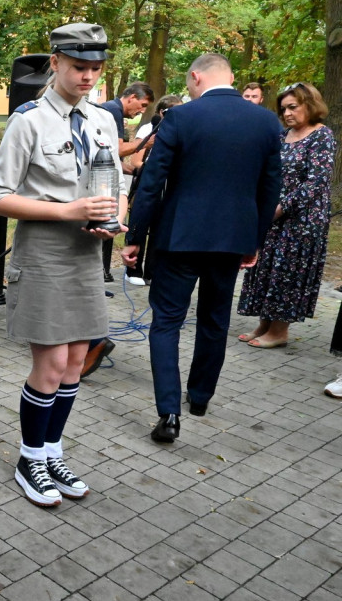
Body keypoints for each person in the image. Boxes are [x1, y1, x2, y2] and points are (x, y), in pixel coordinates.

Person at [0, 23, 123, 507]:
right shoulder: (29, 121)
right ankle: (29, 460)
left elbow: (115, 186)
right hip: (44, 255)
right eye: (79, 67)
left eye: (95, 68)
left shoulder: (104, 120)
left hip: (87, 255)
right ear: (56, 64)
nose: (88, 76)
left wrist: (115, 221)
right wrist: (67, 211)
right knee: (49, 365)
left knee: (74, 365)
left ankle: (51, 450)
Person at [122, 53, 282, 443]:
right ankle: (200, 397)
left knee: (166, 322)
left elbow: (150, 183)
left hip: (179, 237)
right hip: (231, 240)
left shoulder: (180, 117)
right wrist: (254, 240)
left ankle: (169, 412)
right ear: (231, 77)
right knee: (214, 319)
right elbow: (269, 187)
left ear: (196, 77)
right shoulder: (265, 121)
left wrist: (134, 238)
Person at [237, 83, 334, 348]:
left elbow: (316, 181)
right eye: (284, 109)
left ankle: (279, 331)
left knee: (287, 273)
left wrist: (281, 207)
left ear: (310, 105)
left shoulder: (321, 135)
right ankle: (264, 324)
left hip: (302, 220)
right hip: (273, 216)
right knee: (267, 269)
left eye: (293, 107)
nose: (288, 113)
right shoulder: (283, 135)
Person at [124, 94, 184, 286]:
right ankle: (133, 269)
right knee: (142, 222)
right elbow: (136, 160)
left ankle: (152, 270)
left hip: (168, 184)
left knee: (160, 226)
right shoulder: (149, 129)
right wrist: (154, 171)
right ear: (161, 112)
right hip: (149, 181)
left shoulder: (182, 131)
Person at [99, 82, 154, 283]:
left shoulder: (112, 110)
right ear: (131, 97)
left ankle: (102, 274)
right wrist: (145, 143)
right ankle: (100, 274)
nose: (142, 110)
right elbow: (117, 150)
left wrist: (139, 171)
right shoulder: (113, 111)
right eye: (142, 104)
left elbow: (112, 159)